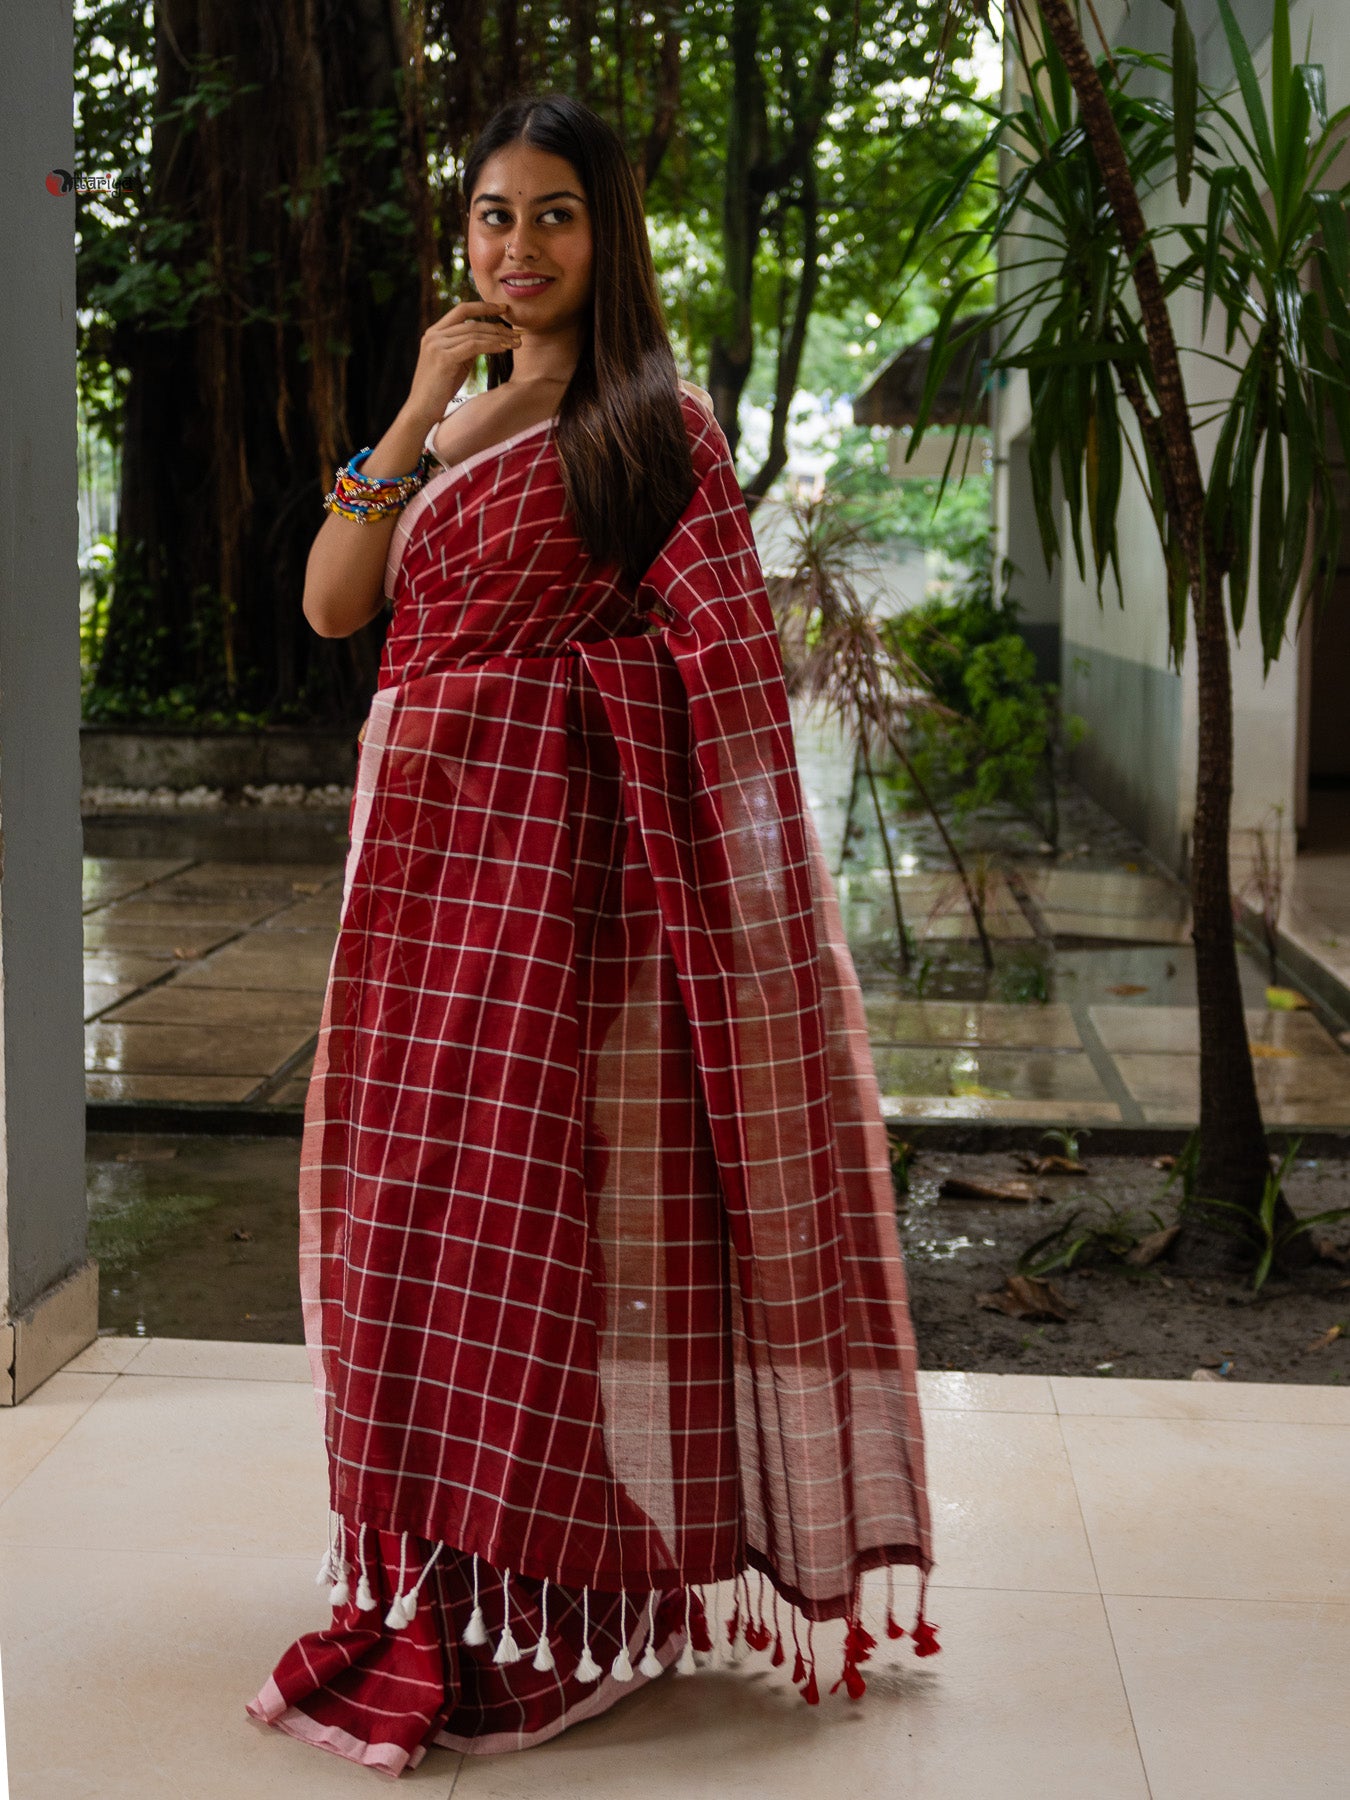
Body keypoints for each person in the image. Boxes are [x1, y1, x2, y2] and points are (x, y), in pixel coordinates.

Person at [246, 91, 936, 1779]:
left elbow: (725, 680)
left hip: (565, 898)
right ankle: (433, 1577)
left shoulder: (656, 424)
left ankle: (558, 1602)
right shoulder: (460, 425)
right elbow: (340, 605)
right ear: (461, 239)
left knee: (532, 1242)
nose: (520, 245)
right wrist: (416, 406)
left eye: (555, 214)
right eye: (494, 215)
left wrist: (551, 722)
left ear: (605, 234)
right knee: (395, 1231)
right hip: (413, 890)